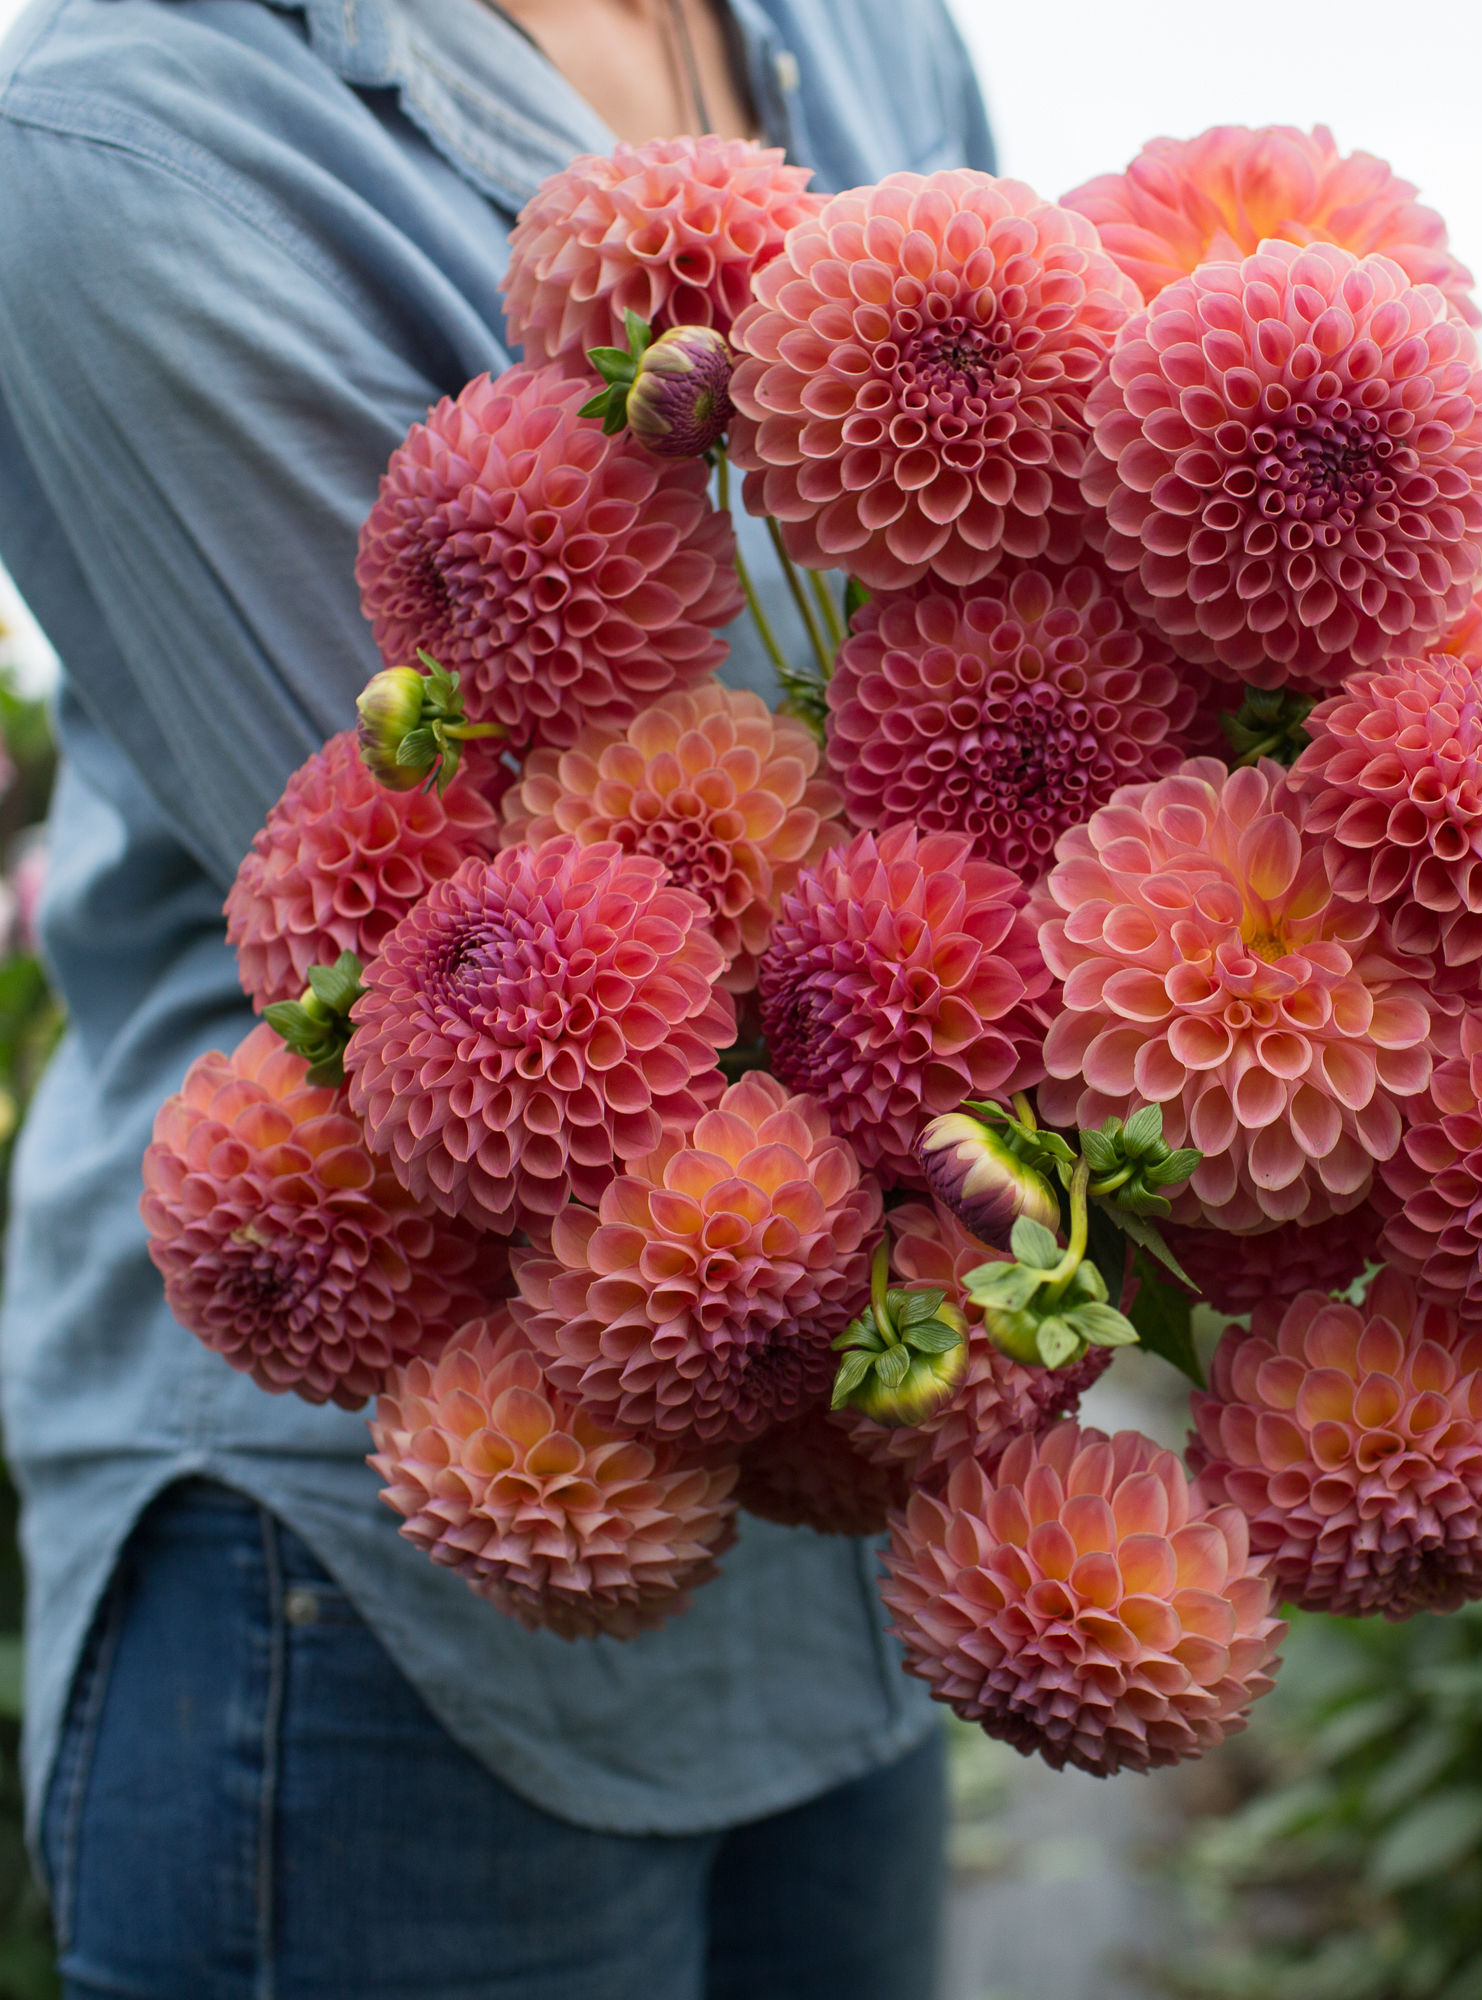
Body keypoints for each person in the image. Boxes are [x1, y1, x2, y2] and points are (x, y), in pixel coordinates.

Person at [0, 1, 996, 1993]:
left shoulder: (865, 27)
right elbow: (483, 951)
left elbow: (1034, 598)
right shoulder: (115, 148)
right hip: (380, 1597)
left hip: (864, 1515)